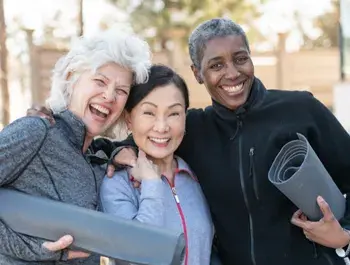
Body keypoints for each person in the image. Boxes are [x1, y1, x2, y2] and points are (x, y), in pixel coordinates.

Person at [102, 18, 350, 265]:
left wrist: (345, 235)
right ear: (197, 73)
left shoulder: (301, 110)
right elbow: (144, 136)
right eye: (216, 65)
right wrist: (119, 152)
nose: (232, 73)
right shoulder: (193, 130)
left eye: (240, 58)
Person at [0, 29, 151, 265]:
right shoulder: (37, 131)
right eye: (100, 81)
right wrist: (34, 249)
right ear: (72, 77)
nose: (109, 96)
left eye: (121, 91)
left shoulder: (99, 158)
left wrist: (121, 150)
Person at [99, 65, 214, 265]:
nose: (162, 127)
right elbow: (136, 253)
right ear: (129, 119)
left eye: (174, 113)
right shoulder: (116, 184)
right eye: (149, 113)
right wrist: (152, 183)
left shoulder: (195, 176)